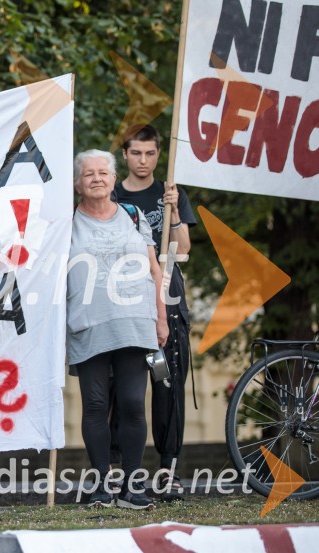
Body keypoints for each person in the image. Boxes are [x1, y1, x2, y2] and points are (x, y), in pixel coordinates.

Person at [68, 149, 168, 510]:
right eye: (88, 173)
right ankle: (99, 486)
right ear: (78, 183)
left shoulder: (133, 215)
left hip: (135, 321)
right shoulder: (66, 223)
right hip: (87, 323)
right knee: (95, 405)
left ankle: (133, 485)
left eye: (103, 173)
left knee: (131, 404)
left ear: (113, 179)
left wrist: (161, 316)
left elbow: (154, 270)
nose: (96, 178)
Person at [113, 125, 196, 500]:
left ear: (159, 154)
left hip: (168, 294)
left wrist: (175, 211)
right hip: (123, 295)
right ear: (125, 155)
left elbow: (183, 250)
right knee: (121, 385)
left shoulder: (169, 193)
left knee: (168, 381)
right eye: (136, 154)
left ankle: (168, 468)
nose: (143, 161)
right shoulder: (110, 193)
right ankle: (122, 468)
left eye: (150, 154)